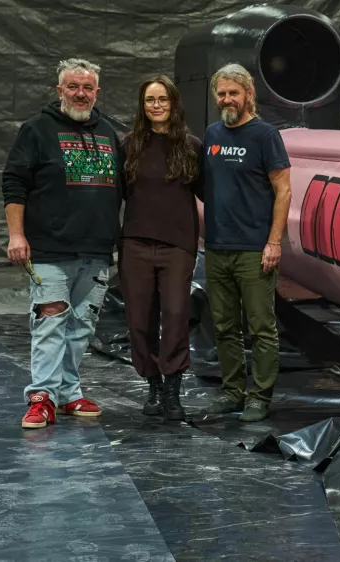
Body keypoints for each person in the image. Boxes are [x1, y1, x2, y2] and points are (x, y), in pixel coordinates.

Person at [2, 58, 124, 429]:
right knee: (51, 323)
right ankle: (42, 397)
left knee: (81, 327)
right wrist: (16, 234)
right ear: (60, 90)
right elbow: (14, 182)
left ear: (97, 92)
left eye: (87, 87)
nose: (80, 94)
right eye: (73, 86)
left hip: (96, 251)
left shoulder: (108, 132)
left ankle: (69, 393)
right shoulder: (37, 129)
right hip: (50, 250)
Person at [200, 62, 292, 422]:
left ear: (248, 93)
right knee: (224, 327)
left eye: (233, 93)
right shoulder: (212, 134)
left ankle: (259, 397)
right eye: (221, 93)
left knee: (261, 327)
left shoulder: (265, 136)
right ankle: (232, 391)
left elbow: (283, 191)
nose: (227, 99)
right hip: (217, 247)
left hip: (254, 249)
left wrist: (274, 243)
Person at [118, 75, 203, 421]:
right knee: (139, 320)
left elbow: (208, 191)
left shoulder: (192, 146)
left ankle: (172, 389)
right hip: (135, 243)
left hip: (178, 245)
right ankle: (153, 385)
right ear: (143, 105)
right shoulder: (129, 145)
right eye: (150, 100)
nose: (156, 105)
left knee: (176, 315)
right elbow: (117, 193)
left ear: (173, 103)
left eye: (162, 99)